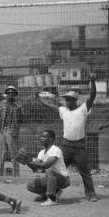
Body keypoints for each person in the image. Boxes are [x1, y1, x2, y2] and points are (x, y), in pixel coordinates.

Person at [37, 73, 99, 201]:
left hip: (79, 146)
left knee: (85, 172)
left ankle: (91, 194)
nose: (67, 101)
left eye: (69, 99)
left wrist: (92, 81)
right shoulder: (63, 111)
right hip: (66, 146)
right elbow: (50, 106)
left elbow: (92, 96)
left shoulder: (83, 109)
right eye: (66, 99)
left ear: (75, 100)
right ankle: (52, 192)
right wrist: (39, 98)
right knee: (57, 170)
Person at [22, 129, 71, 207]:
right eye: (41, 137)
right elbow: (35, 168)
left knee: (49, 171)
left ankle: (52, 199)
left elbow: (46, 165)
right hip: (51, 178)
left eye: (44, 137)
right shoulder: (42, 152)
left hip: (64, 180)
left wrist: (31, 162)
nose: (41, 138)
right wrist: (27, 161)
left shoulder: (55, 150)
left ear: (51, 139)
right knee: (31, 185)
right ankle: (53, 193)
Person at [0, 85, 23, 177]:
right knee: (1, 152)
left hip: (12, 130)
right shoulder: (2, 103)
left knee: (14, 153)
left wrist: (15, 108)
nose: (10, 94)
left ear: (15, 94)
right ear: (6, 94)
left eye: (12, 93)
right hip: (3, 129)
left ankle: (16, 174)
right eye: (8, 92)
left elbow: (21, 118)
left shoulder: (18, 104)